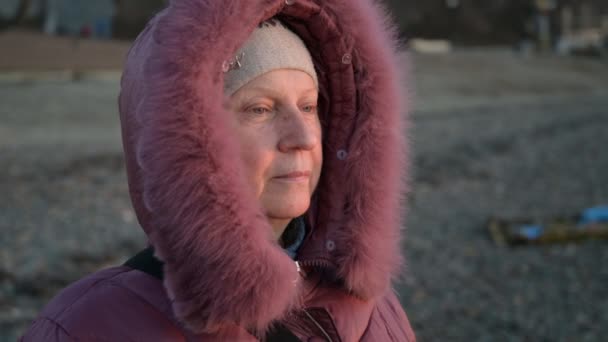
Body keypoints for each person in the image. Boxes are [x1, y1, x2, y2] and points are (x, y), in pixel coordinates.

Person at [21, 0, 415, 340]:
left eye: (309, 107)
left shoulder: (373, 308)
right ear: (190, 142)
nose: (303, 137)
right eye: (260, 109)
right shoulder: (84, 328)